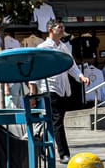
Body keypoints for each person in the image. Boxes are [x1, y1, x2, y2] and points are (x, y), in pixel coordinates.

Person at [37, 21, 89, 160]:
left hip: (64, 88)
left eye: (63, 27)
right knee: (57, 120)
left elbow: (71, 65)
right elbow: (36, 67)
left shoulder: (64, 47)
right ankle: (63, 153)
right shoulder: (43, 47)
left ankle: (40, 142)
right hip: (49, 87)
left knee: (53, 121)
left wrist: (81, 76)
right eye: (59, 27)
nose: (62, 30)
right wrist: (33, 88)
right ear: (50, 29)